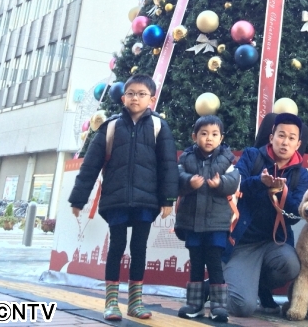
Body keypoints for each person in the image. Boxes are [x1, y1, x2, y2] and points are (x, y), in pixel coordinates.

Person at [69, 74, 178, 321]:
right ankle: (111, 303)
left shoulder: (159, 127)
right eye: (130, 93)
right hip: (116, 200)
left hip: (146, 202)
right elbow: (90, 166)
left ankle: (135, 302)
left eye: (141, 94)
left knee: (139, 248)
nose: (135, 98)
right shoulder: (110, 127)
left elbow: (168, 166)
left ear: (151, 99)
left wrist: (168, 199)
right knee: (116, 247)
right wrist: (78, 199)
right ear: (123, 98)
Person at [222, 113, 308, 317]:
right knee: (243, 307)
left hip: (274, 244)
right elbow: (235, 186)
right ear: (271, 137)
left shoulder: (301, 175)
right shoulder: (252, 156)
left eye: (291, 138)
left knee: (291, 266)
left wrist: (281, 192)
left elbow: (294, 215)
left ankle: (261, 286)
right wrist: (260, 183)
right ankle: (215, 286)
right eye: (281, 135)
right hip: (243, 243)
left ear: (298, 144)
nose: (285, 142)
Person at [175, 115, 240, 322]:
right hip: (192, 222)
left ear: (221, 138)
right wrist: (188, 182)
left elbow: (234, 180)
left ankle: (219, 306)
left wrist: (221, 184)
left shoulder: (227, 160)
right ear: (194, 136)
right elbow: (176, 178)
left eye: (214, 134)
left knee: (214, 262)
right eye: (203, 134)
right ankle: (194, 304)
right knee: (195, 262)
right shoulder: (186, 158)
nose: (209, 138)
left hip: (217, 224)